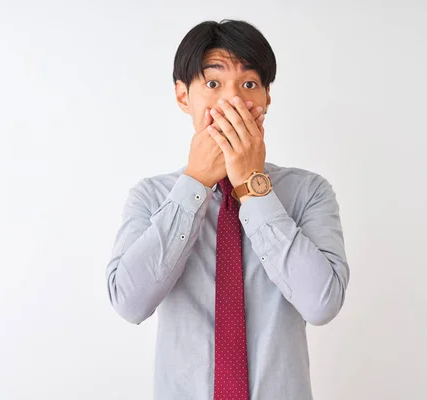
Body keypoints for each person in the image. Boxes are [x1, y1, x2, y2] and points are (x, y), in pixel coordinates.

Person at [106, 19, 350, 400]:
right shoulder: (151, 196)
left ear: (267, 97)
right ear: (183, 96)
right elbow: (129, 302)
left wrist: (254, 187)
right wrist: (195, 183)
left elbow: (321, 304)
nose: (233, 101)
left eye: (249, 84)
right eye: (213, 83)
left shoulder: (308, 192)